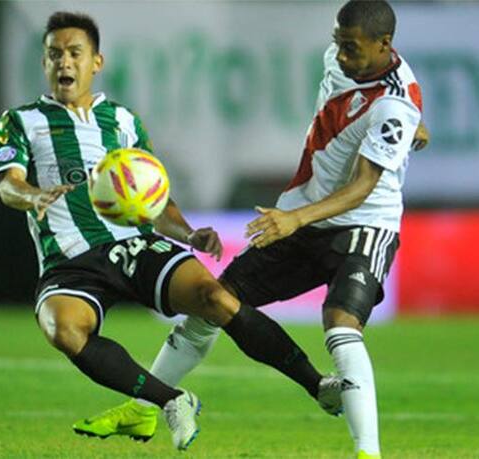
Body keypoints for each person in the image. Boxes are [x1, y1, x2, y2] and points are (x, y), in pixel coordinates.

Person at [74, 2, 424, 458]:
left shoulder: (395, 103)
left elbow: (362, 187)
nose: (340, 56)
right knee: (212, 303)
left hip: (363, 224)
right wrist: (415, 128)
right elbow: (387, 116)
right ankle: (142, 408)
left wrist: (295, 218)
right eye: (338, 44)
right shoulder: (346, 68)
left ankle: (368, 453)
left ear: (384, 45)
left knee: (340, 323)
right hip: (304, 214)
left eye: (352, 49)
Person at [0, 11, 347, 451]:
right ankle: (173, 401)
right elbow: (8, 184)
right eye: (54, 54)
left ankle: (317, 385)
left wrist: (188, 233)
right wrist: (34, 197)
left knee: (217, 298)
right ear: (43, 63)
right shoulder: (21, 121)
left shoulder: (123, 122)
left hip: (133, 244)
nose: (64, 63)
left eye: (74, 53)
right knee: (63, 328)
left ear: (96, 62)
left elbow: (153, 199)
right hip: (70, 259)